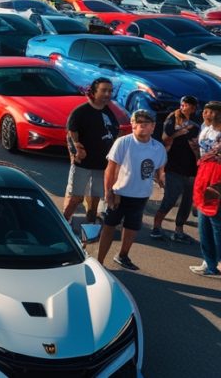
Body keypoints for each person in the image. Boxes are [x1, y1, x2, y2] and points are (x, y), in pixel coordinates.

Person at [97, 110, 167, 270]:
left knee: (132, 228)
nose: (143, 125)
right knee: (109, 226)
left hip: (141, 195)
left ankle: (122, 255)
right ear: (132, 124)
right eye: (139, 122)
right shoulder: (123, 142)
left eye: (147, 123)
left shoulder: (158, 148)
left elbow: (160, 171)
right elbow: (110, 169)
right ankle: (99, 262)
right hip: (119, 193)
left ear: (153, 127)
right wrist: (108, 191)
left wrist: (161, 180)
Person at [63, 78, 120, 224]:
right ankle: (63, 224)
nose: (108, 94)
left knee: (95, 200)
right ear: (93, 92)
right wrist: (75, 151)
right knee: (76, 198)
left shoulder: (109, 112)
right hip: (82, 164)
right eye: (104, 90)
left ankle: (90, 228)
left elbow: (114, 134)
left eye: (110, 91)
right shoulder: (80, 112)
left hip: (102, 166)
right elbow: (70, 135)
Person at [151, 96, 199, 242]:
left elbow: (198, 147)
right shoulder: (172, 118)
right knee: (170, 199)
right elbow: (165, 139)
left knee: (186, 202)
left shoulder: (196, 125)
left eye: (187, 105)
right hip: (173, 166)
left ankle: (179, 230)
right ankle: (156, 227)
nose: (184, 107)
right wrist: (180, 132)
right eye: (183, 104)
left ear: (193, 108)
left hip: (191, 169)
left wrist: (196, 149)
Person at [190, 101, 221, 277]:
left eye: (211, 112)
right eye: (206, 111)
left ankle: (218, 262)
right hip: (203, 177)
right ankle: (209, 264)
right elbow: (201, 155)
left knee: (217, 226)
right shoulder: (205, 130)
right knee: (204, 226)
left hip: (217, 182)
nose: (207, 114)